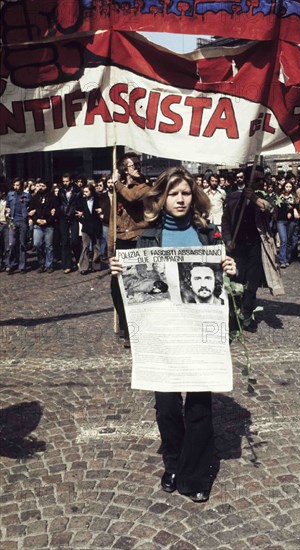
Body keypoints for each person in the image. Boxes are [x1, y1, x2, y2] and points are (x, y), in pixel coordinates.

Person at [110, 166, 236, 503]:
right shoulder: (147, 237)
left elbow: (224, 292)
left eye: (185, 194)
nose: (180, 200)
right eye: (173, 194)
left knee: (198, 407)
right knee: (166, 408)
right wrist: (118, 276)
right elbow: (129, 299)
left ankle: (193, 473)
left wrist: (228, 270)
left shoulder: (208, 235)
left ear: (193, 198)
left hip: (198, 337)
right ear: (161, 198)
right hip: (162, 338)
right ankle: (174, 461)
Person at [222, 165, 284, 332]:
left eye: (261, 180)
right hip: (237, 247)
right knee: (236, 283)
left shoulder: (265, 197)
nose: (259, 183)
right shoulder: (233, 198)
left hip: (256, 247)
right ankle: (234, 316)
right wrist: (228, 240)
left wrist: (255, 199)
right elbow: (226, 222)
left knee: (252, 284)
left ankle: (247, 316)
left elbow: (272, 211)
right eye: (255, 180)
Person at [108, 152, 151, 347]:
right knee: (116, 289)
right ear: (124, 169)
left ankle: (134, 330)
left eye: (138, 164)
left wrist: (117, 183)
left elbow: (132, 198)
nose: (137, 167)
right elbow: (112, 220)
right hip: (121, 241)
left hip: (137, 239)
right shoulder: (117, 190)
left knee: (136, 287)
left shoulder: (144, 186)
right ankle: (126, 324)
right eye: (133, 165)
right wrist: (110, 248)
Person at [28, 179, 59, 273]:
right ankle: (41, 263)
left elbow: (55, 212)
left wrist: (47, 220)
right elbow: (31, 211)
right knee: (36, 244)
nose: (41, 188)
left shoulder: (53, 197)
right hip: (38, 224)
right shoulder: (34, 197)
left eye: (43, 186)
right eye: (40, 185)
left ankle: (49, 264)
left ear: (47, 187)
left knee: (49, 245)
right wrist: (36, 219)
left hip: (48, 225)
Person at [58, 173, 82, 273]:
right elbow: (59, 202)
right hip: (63, 217)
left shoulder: (77, 191)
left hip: (74, 217)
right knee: (65, 241)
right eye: (63, 182)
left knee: (75, 240)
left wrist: (80, 211)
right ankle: (67, 265)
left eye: (67, 181)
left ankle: (79, 259)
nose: (65, 183)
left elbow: (81, 203)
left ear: (71, 181)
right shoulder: (61, 191)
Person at [5, 178, 30, 274]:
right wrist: (7, 213)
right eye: (14, 185)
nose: (16, 187)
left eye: (17, 185)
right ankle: (11, 264)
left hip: (23, 222)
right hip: (13, 221)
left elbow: (30, 207)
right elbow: (8, 206)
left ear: (22, 186)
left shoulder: (26, 196)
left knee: (22, 244)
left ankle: (22, 266)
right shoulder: (10, 195)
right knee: (12, 244)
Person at [76, 183, 102, 274]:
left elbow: (102, 209)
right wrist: (82, 220)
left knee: (96, 246)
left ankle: (96, 265)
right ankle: (84, 267)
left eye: (87, 191)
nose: (85, 193)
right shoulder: (81, 201)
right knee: (85, 246)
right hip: (86, 226)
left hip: (96, 225)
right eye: (84, 192)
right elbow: (77, 212)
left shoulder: (98, 199)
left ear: (91, 191)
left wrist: (101, 212)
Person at [276, 181, 299, 268]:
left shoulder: (294, 197)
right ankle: (282, 260)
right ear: (284, 187)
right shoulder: (279, 196)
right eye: (286, 186)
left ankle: (287, 258)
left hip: (291, 221)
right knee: (283, 240)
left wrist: (292, 211)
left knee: (289, 241)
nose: (288, 188)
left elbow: (297, 208)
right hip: (281, 220)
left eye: (290, 187)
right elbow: (276, 207)